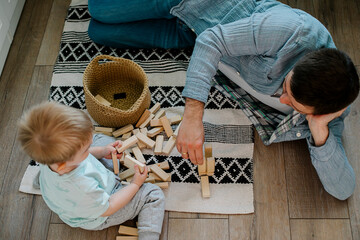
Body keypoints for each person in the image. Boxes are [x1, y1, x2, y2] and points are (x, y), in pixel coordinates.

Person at [87, 0, 359, 200]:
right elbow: (212, 40)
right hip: (195, 6)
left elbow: (343, 189)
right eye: (286, 87)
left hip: (187, 36)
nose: (282, 99)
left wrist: (320, 129)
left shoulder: (327, 109)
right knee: (97, 9)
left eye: (295, 104)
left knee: (97, 32)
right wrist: (193, 116)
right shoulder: (291, 31)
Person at [18, 102, 165, 240]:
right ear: (63, 165)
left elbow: (82, 153)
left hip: (75, 191)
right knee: (153, 194)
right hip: (102, 211)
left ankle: (43, 182)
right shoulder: (83, 187)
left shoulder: (50, 160)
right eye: (86, 150)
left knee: (102, 140)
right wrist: (135, 185)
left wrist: (102, 151)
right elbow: (109, 206)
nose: (89, 149)